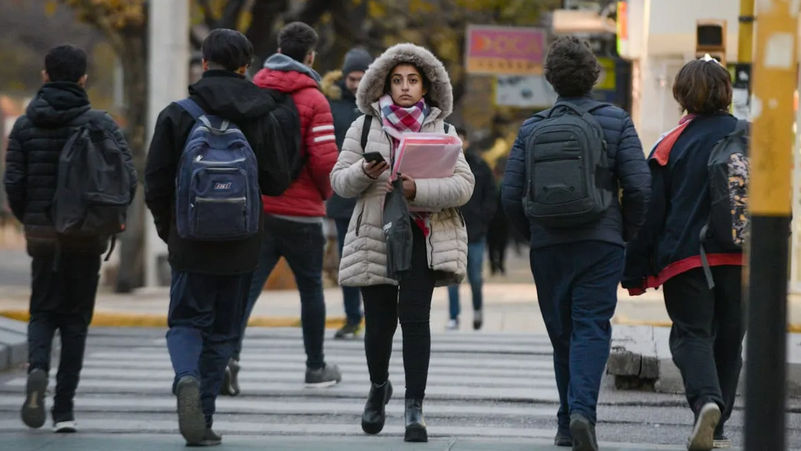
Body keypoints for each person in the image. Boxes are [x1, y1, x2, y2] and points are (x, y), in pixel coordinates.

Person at [145, 29, 294, 446]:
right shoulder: (262, 112)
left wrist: (170, 230)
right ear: (247, 66)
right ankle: (203, 417)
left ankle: (186, 378)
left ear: (204, 63)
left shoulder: (178, 113)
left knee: (186, 321)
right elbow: (278, 181)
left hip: (189, 240)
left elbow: (155, 182)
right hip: (242, 242)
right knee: (224, 332)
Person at [501, 36, 650, 450]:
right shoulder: (616, 121)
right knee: (590, 327)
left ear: (551, 80)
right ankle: (582, 412)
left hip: (549, 245)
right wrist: (625, 233)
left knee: (562, 333)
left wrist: (534, 235)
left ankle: (567, 422)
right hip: (600, 242)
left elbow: (510, 196)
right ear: (593, 75)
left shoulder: (532, 127)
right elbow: (639, 187)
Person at [330, 43, 474, 442]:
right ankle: (378, 389)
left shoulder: (443, 130)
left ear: (426, 87)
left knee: (415, 323)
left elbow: (464, 185)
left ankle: (415, 407)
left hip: (420, 238)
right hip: (376, 235)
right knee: (378, 326)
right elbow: (339, 182)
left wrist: (417, 189)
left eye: (412, 80)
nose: (405, 88)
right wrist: (363, 170)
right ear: (385, 86)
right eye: (397, 81)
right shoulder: (362, 126)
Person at [4, 44, 137, 433]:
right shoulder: (102, 124)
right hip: (86, 233)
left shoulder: (26, 126)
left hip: (43, 234)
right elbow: (128, 180)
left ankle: (38, 369)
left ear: (45, 76)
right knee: (76, 320)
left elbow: (13, 182)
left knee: (43, 310)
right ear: (83, 79)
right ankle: (64, 409)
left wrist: (31, 217)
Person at [622, 56, 745, 450]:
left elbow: (648, 211)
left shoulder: (670, 144)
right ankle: (719, 426)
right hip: (745, 258)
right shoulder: (752, 136)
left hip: (687, 259)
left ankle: (706, 402)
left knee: (692, 336)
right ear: (726, 92)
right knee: (729, 341)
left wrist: (635, 270)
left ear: (682, 95)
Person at [227, 21, 341, 391]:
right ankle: (315, 367)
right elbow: (325, 161)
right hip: (303, 213)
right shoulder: (314, 99)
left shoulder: (253, 90)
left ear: (278, 48)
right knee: (311, 291)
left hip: (259, 209)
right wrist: (324, 194)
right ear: (310, 56)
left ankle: (229, 358)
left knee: (246, 289)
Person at [322, 47, 373, 339]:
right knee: (347, 259)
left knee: (376, 257)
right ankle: (353, 317)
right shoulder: (332, 103)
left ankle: (377, 314)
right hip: (342, 193)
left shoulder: (379, 102)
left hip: (373, 191)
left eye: (361, 77)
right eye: (351, 78)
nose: (355, 84)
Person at [446, 128, 496, 331]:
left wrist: (484, 217)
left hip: (475, 231)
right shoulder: (443, 164)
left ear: (466, 142)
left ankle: (477, 310)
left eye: (461, 138)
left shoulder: (480, 165)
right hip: (450, 228)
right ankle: (453, 316)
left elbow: (491, 195)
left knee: (475, 276)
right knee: (451, 276)